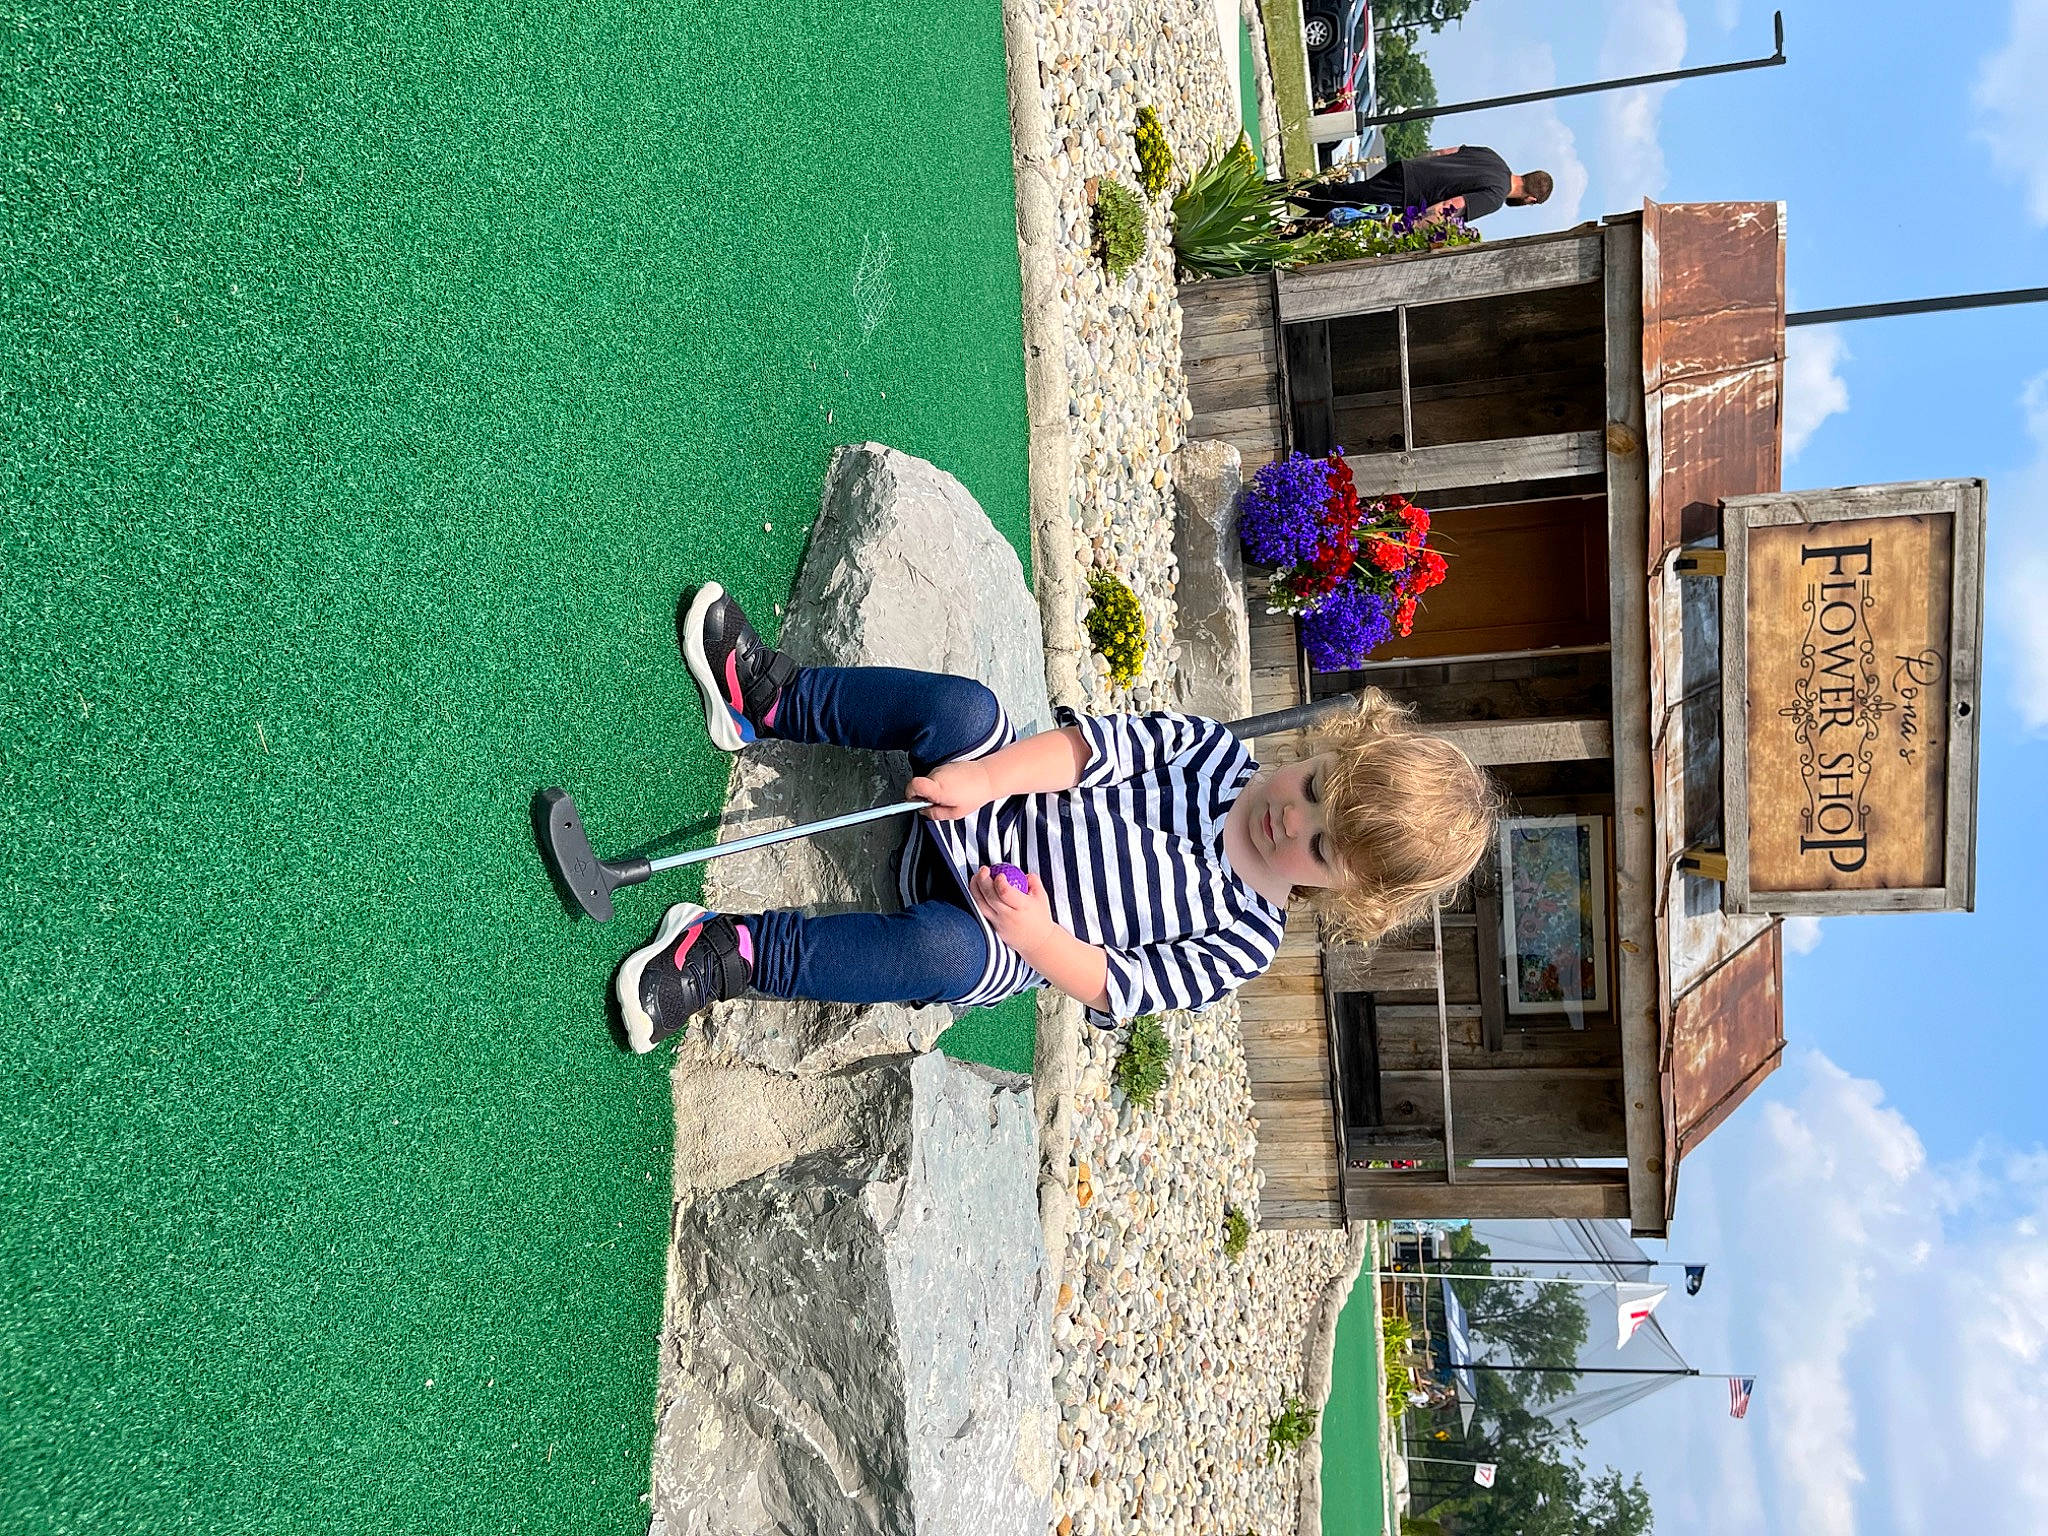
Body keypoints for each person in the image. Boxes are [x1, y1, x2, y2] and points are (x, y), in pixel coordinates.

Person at [613, 582, 1497, 1052]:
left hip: (999, 926)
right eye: (1312, 786)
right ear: (1321, 750)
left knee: (944, 958)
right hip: (989, 803)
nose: (1289, 818)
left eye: (1321, 843)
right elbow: (1086, 753)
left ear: (1349, 893)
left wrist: (1033, 931)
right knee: (964, 709)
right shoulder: (1215, 754)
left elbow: (1116, 985)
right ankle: (766, 702)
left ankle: (729, 955)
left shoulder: (1245, 941)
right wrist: (988, 778)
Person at [1289, 144, 1552, 226]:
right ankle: (1276, 191)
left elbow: (1442, 153)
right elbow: (1451, 207)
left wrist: (1415, 167)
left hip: (1406, 171)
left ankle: (1286, 224)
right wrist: (1409, 227)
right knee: (1339, 201)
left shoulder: (1492, 155)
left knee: (1339, 210)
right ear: (1530, 200)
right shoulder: (1494, 198)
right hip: (1406, 195)